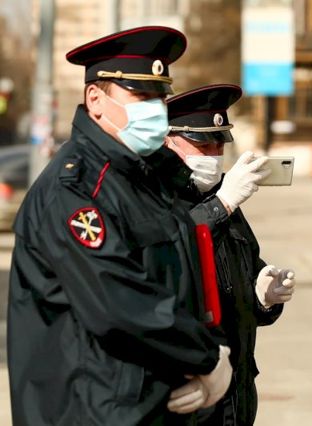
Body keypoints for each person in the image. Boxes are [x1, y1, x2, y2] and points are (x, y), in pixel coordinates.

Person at [8, 27, 232, 425]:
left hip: (144, 404)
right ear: (95, 100)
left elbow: (176, 282)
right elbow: (118, 302)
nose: (156, 110)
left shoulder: (144, 178)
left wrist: (197, 361)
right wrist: (206, 357)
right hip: (91, 410)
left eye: (160, 97)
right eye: (141, 97)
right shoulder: (76, 189)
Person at [145, 84, 296, 425]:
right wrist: (221, 204)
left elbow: (242, 273)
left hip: (237, 394)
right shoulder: (155, 198)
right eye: (202, 144)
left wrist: (264, 296)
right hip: (191, 394)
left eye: (219, 144)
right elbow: (172, 249)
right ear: (168, 141)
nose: (213, 154)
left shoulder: (223, 196)